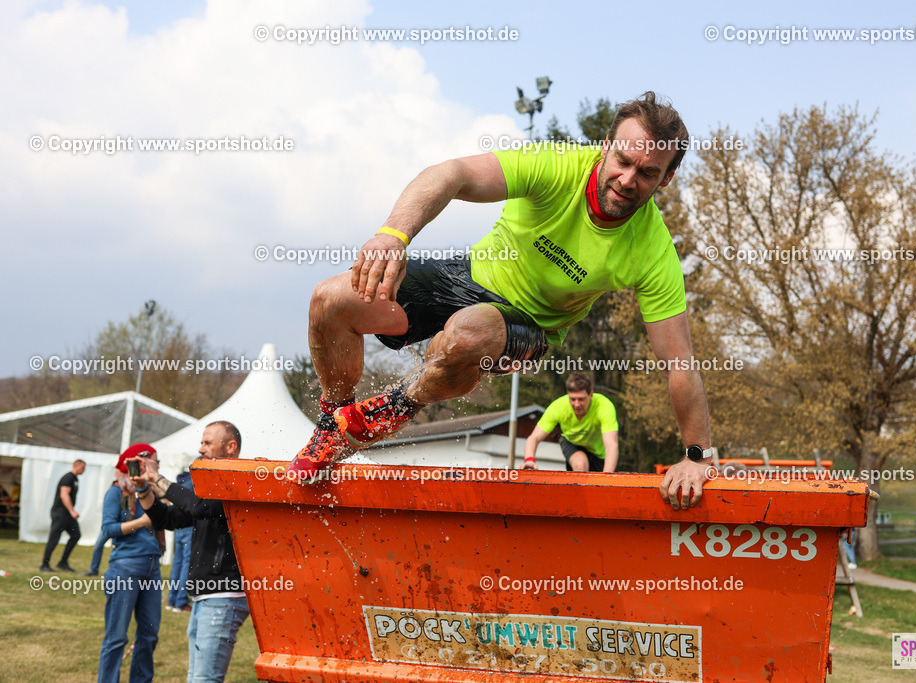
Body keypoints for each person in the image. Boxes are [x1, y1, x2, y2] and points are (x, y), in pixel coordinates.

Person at [288, 91, 714, 509]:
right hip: (464, 277)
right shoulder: (556, 165)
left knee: (468, 332)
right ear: (605, 149)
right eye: (622, 161)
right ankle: (335, 423)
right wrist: (393, 235)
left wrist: (698, 457)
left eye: (647, 173)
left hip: (524, 328)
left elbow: (679, 362)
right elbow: (451, 173)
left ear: (666, 178)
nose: (626, 180)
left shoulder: (653, 250)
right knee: (330, 299)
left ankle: (400, 404)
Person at [133, 421, 250, 682]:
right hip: (206, 596)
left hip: (224, 595)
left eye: (208, 442)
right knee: (195, 677)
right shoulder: (212, 484)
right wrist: (144, 489)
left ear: (231, 447)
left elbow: (197, 507)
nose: (201, 448)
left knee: (204, 679)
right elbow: (168, 519)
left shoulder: (240, 479)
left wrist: (158, 478)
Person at [97, 444, 162, 683]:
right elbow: (108, 530)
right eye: (153, 462)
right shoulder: (116, 492)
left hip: (152, 567)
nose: (157, 466)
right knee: (116, 637)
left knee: (149, 634)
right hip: (124, 568)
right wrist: (143, 522)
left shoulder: (152, 492)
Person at [523, 373, 618, 472]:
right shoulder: (558, 407)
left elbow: (611, 444)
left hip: (598, 452)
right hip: (572, 443)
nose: (576, 404)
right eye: (572, 399)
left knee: (600, 481)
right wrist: (529, 459)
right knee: (581, 464)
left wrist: (607, 476)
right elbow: (534, 437)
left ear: (591, 395)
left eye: (581, 399)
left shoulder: (604, 406)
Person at [40, 459, 85, 572]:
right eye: (82, 467)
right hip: (60, 513)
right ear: (76, 466)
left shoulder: (75, 479)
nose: (84, 470)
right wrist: (72, 511)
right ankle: (44, 565)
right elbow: (64, 495)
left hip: (67, 515)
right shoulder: (68, 478)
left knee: (76, 535)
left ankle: (63, 562)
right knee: (54, 538)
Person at [166, 469, 195, 612]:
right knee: (185, 565)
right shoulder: (193, 482)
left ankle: (172, 599)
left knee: (177, 563)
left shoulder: (181, 480)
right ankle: (180, 601)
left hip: (178, 527)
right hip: (189, 526)